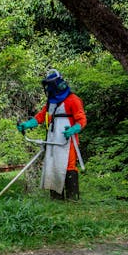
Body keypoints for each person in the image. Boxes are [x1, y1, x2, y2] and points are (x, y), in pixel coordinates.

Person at [17, 69, 87, 200]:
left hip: (68, 141)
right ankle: (56, 199)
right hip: (52, 140)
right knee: (53, 165)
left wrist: (74, 128)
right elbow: (40, 117)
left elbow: (82, 119)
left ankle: (73, 199)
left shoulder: (73, 100)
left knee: (68, 167)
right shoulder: (51, 103)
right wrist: (27, 124)